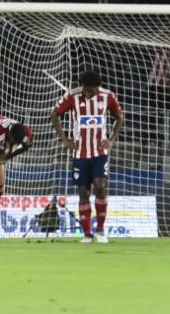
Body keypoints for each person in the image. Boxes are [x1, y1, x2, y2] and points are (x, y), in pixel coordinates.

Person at [51, 69, 123, 244]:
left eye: (92, 90)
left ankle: (100, 230)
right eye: (87, 89)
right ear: (82, 86)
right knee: (83, 191)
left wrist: (112, 140)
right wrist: (65, 139)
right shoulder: (72, 96)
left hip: (100, 152)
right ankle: (87, 234)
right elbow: (54, 114)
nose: (89, 92)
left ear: (97, 87)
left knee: (100, 187)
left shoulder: (108, 96)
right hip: (80, 153)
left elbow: (119, 117)